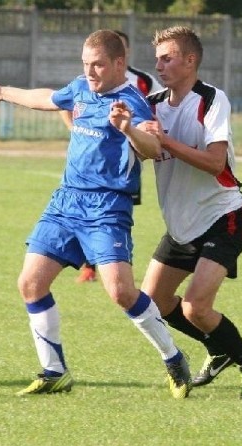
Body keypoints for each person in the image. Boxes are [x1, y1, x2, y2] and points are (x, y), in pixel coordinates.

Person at [0, 29, 192, 399]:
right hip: (66, 202)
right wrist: (2, 91)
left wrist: (126, 129)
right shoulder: (80, 87)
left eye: (98, 65)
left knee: (121, 293)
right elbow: (49, 98)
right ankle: (54, 371)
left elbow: (153, 148)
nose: (90, 72)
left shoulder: (131, 102)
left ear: (119, 64)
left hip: (107, 207)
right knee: (30, 283)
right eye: (86, 64)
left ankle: (173, 357)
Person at [137, 25, 242, 399]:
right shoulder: (152, 104)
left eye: (168, 58)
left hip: (224, 216)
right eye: (157, 58)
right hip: (182, 225)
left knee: (196, 307)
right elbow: (140, 149)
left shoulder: (212, 99)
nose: (159, 65)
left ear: (190, 60)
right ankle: (219, 349)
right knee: (155, 304)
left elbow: (215, 163)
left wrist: (165, 140)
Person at [66, 29, 163, 284]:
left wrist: (146, 128)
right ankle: (91, 265)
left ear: (124, 54)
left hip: (127, 155)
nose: (91, 69)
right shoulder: (90, 80)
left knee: (116, 214)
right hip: (94, 164)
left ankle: (115, 259)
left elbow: (159, 105)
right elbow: (64, 103)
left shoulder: (142, 81)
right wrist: (75, 128)